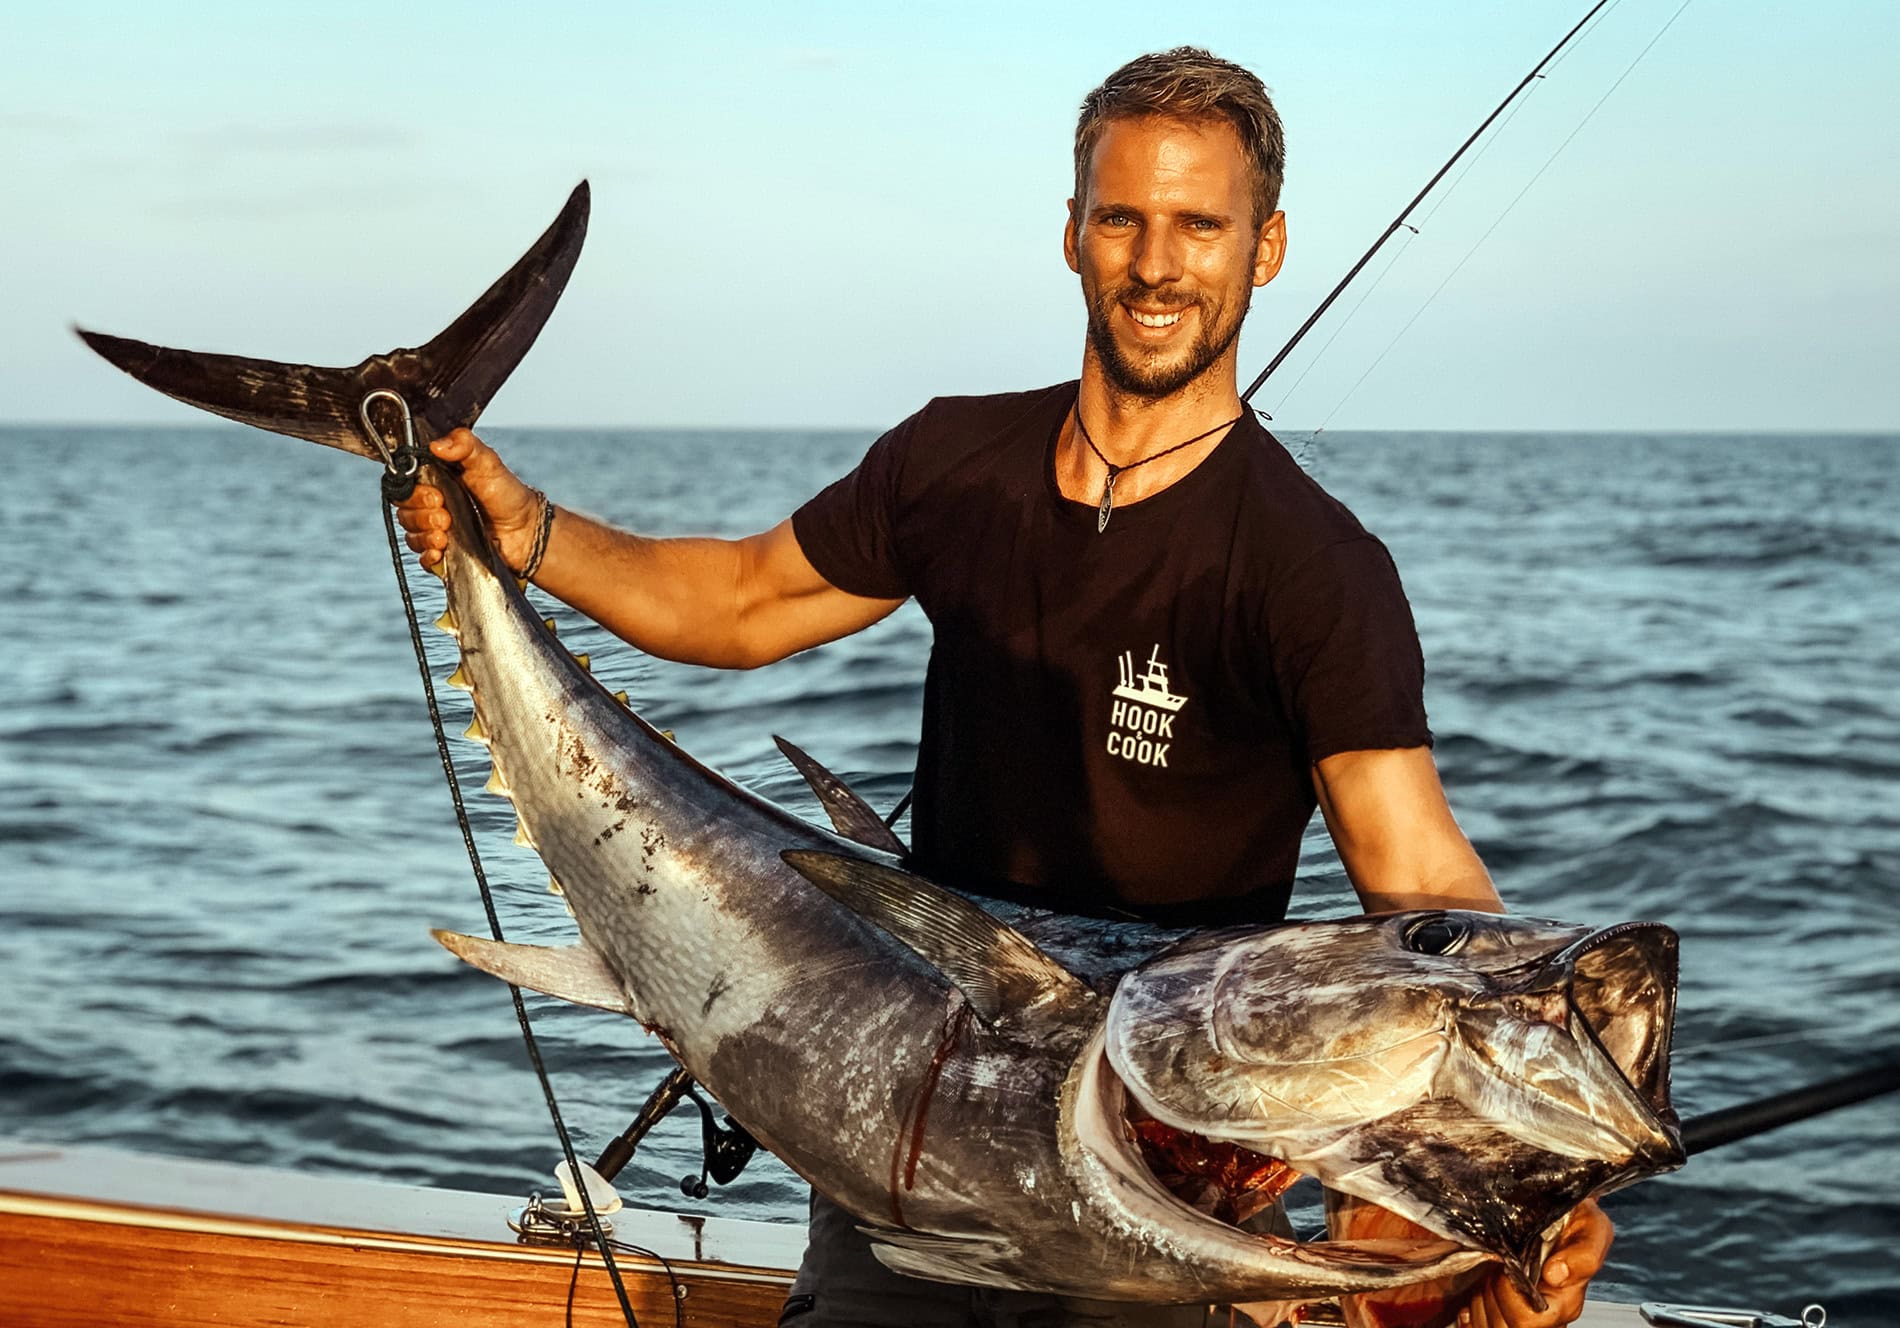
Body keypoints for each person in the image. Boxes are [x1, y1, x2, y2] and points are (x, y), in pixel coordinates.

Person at [396, 46, 1612, 1328]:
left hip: (1154, 1172)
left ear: (1265, 249)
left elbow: (1415, 875)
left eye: (1201, 226)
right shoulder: (954, 459)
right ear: (1073, 234)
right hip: (904, 1125)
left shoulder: (1314, 567)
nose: (1157, 265)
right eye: (1123, 219)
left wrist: (1516, 1154)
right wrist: (520, 529)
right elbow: (742, 601)